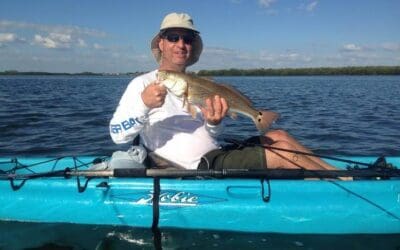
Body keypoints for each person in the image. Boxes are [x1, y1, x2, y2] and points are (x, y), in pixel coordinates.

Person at [109, 12, 338, 172]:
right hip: (195, 167)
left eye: (187, 39)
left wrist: (213, 123)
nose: (181, 44)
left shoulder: (199, 84)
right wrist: (144, 105)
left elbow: (211, 134)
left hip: (217, 154)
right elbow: (118, 136)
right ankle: (341, 188)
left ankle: (344, 176)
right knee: (285, 153)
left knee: (279, 136)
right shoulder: (141, 84)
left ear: (192, 46)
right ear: (161, 44)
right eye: (173, 37)